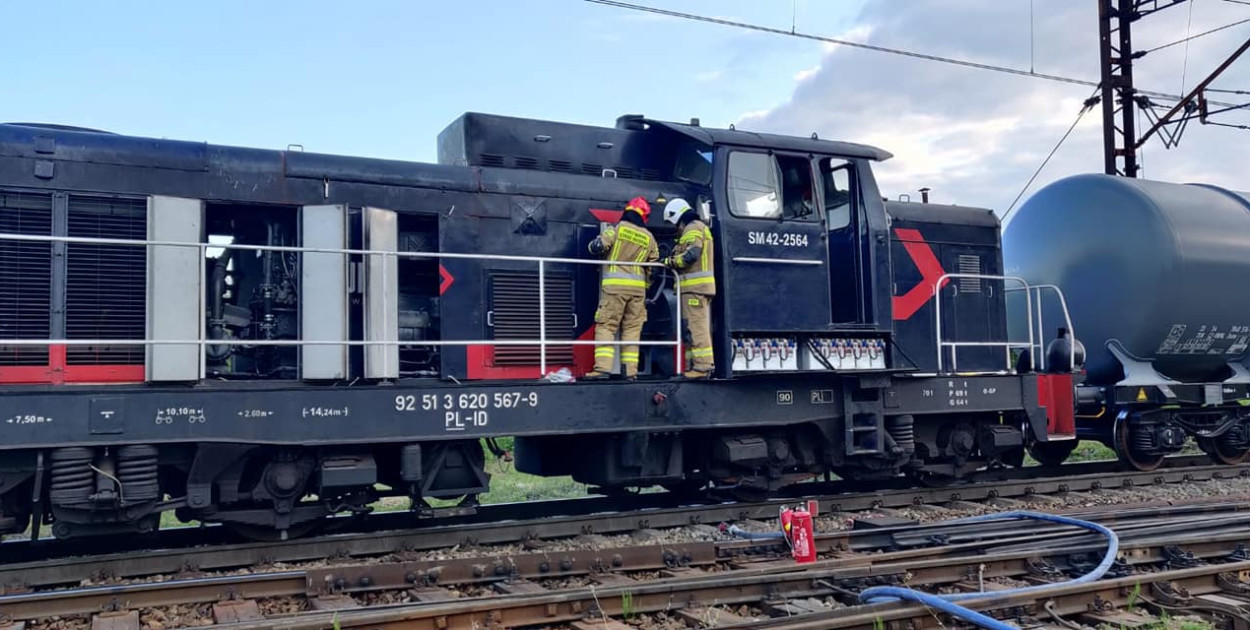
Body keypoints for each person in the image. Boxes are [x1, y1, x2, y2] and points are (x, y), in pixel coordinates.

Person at [584, 196, 659, 380]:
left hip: (614, 288)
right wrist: (645, 287)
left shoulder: (617, 229)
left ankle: (602, 369)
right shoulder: (649, 237)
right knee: (632, 331)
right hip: (638, 292)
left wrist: (593, 244)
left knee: (606, 326)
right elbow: (653, 269)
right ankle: (630, 372)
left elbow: (598, 247)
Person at [661, 198, 715, 379]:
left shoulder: (693, 228)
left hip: (694, 288)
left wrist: (669, 262)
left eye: (673, 223)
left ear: (677, 216)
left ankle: (702, 367)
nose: (675, 228)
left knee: (696, 327)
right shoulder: (698, 228)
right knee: (690, 329)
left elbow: (691, 255)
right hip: (694, 289)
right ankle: (693, 367)